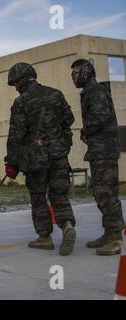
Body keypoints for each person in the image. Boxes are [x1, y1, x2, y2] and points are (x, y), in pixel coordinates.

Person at [4, 62, 77, 256]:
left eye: (15, 84)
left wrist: (11, 162)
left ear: (20, 81)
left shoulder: (21, 103)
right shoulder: (56, 94)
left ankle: (44, 237)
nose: (16, 89)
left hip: (36, 158)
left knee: (38, 197)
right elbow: (69, 120)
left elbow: (15, 136)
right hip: (59, 154)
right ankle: (67, 225)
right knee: (59, 194)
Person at [71, 59, 125, 255]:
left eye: (76, 73)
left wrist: (86, 130)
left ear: (86, 72)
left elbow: (101, 117)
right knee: (101, 193)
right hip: (99, 150)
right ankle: (109, 233)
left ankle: (116, 237)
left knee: (106, 194)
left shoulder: (95, 91)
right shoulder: (90, 92)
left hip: (104, 151)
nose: (73, 77)